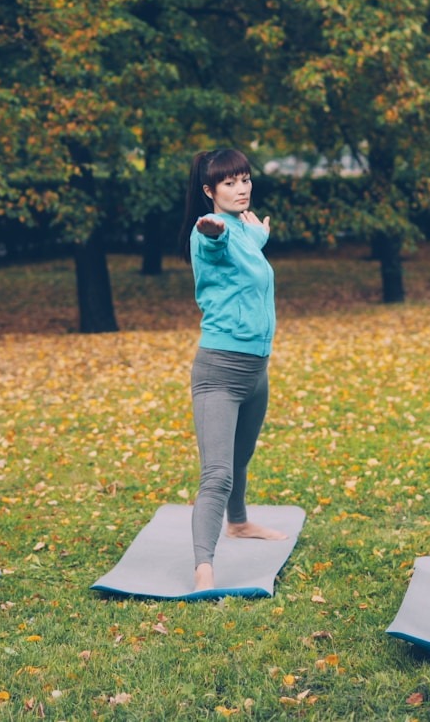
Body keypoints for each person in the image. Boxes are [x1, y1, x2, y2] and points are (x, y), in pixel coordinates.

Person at [176, 148, 288, 592]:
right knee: (217, 473)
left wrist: (258, 233)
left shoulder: (243, 227)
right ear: (209, 192)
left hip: (255, 372)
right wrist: (212, 231)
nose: (241, 188)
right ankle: (203, 566)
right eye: (229, 183)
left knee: (242, 458)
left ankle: (238, 523)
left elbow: (246, 242)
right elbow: (215, 241)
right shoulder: (211, 231)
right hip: (219, 372)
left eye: (244, 179)